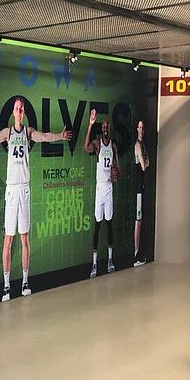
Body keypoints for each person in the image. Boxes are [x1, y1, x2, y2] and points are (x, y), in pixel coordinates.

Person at [0, 97, 71, 301]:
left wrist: (60, 136)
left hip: (24, 189)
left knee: (25, 237)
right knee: (8, 239)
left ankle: (25, 281)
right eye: (17, 108)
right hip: (11, 190)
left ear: (24, 113)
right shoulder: (8, 133)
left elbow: (44, 136)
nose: (19, 111)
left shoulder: (28, 132)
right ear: (13, 112)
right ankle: (7, 286)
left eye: (22, 108)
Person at [84, 108, 118, 278]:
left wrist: (116, 172)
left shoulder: (113, 145)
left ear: (109, 129)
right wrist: (90, 126)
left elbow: (117, 168)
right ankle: (95, 263)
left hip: (109, 188)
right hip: (99, 189)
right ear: (101, 129)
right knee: (97, 225)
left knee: (109, 224)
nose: (105, 129)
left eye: (107, 127)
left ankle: (110, 260)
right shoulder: (97, 144)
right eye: (103, 127)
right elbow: (85, 147)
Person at [133, 119, 149, 266]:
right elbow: (144, 165)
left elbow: (147, 162)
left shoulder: (142, 145)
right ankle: (136, 253)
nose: (141, 129)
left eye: (143, 127)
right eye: (139, 127)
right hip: (138, 187)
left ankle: (138, 251)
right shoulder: (138, 145)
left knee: (141, 219)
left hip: (142, 186)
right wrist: (144, 160)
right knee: (138, 220)